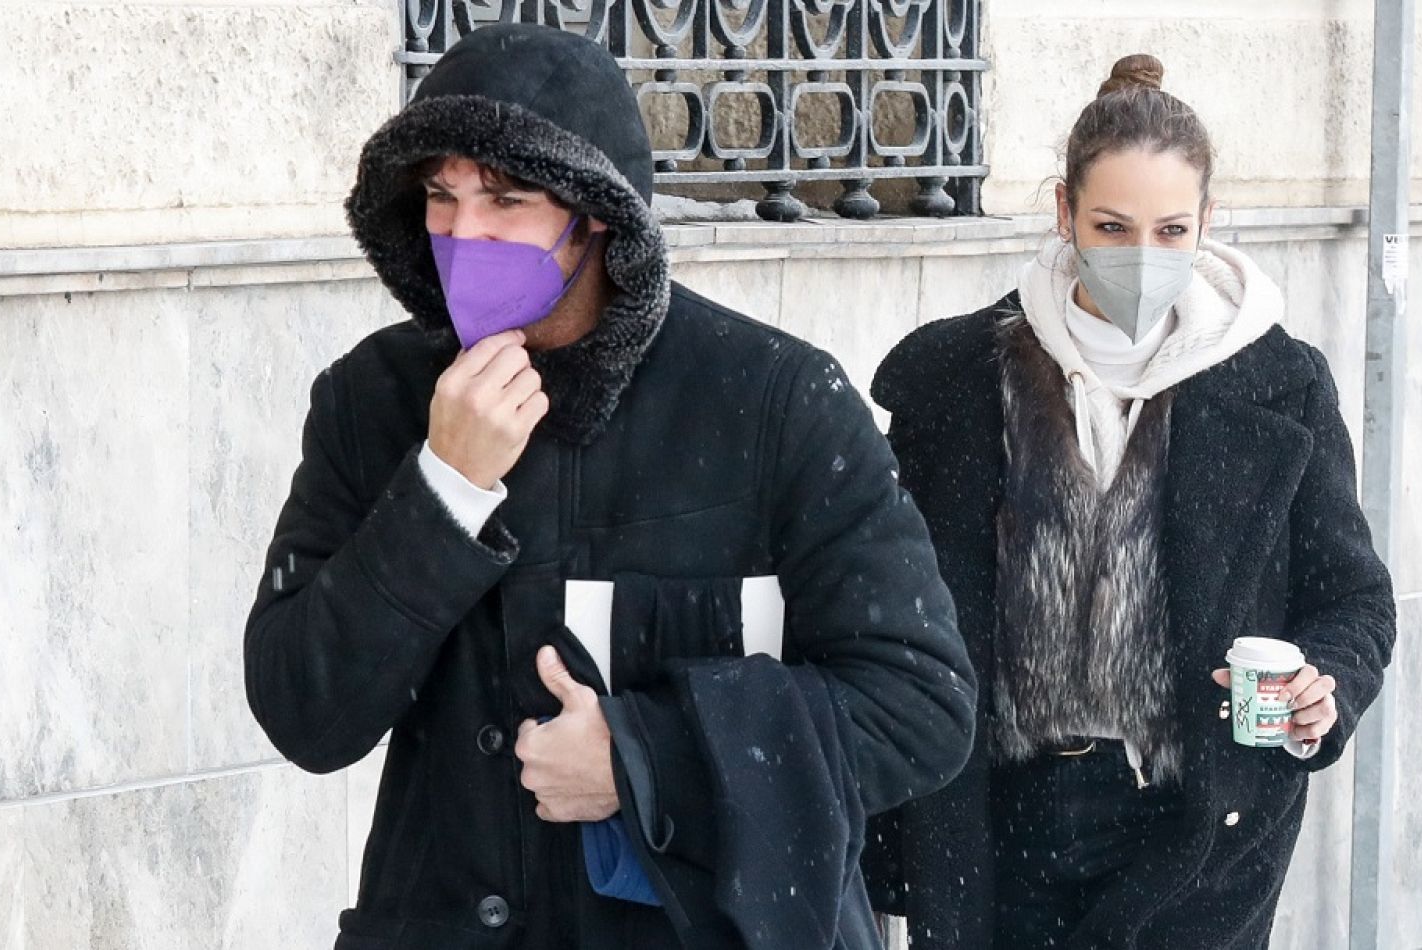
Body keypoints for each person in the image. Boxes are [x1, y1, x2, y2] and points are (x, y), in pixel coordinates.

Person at [242, 23, 976, 950]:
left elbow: (921, 704)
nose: (464, 232)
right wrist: (442, 492)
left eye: (507, 199)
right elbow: (305, 712)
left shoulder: (774, 400)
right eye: (441, 195)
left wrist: (645, 758)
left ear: (594, 214)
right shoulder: (372, 398)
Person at [860, 54, 1397, 949]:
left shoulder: (1277, 385)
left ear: (1207, 225)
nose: (1142, 258)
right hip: (995, 821)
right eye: (1111, 226)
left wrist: (1321, 685)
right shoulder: (956, 381)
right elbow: (886, 599)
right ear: (1063, 212)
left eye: (1170, 229)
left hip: (1194, 830)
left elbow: (1353, 597)